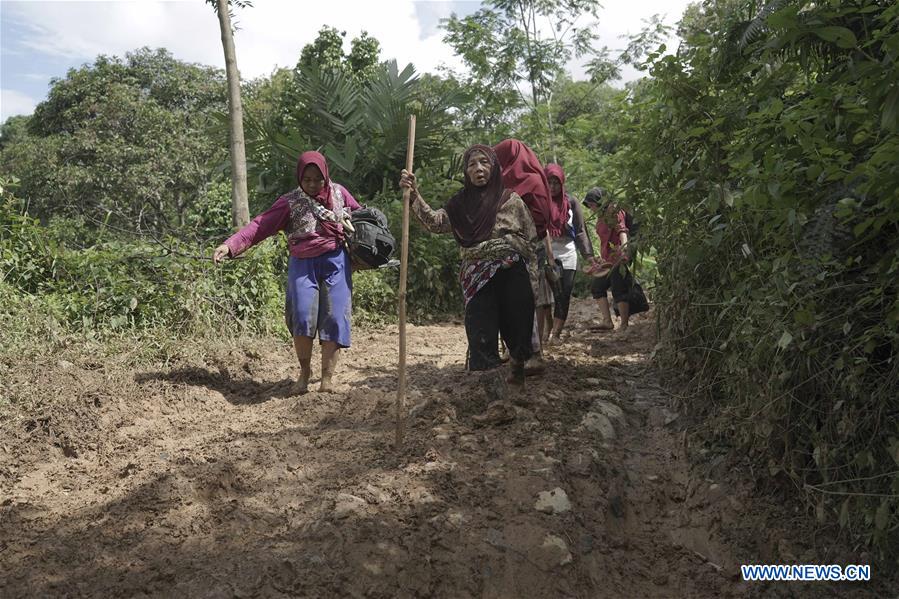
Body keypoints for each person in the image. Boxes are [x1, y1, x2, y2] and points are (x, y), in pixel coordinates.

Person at [213, 151, 361, 393]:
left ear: (325, 176)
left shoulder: (339, 193)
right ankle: (304, 373)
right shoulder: (290, 202)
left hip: (336, 262)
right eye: (307, 180)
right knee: (301, 316)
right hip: (303, 265)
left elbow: (361, 216)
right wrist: (230, 245)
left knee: (335, 317)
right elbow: (260, 225)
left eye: (317, 179)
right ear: (299, 179)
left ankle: (327, 379)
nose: (313, 184)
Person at [399, 144, 538, 391]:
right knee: (481, 334)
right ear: (466, 172)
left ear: (494, 168)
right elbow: (435, 221)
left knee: (518, 326)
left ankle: (517, 367)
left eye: (484, 163)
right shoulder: (459, 205)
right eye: (472, 164)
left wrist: (533, 279)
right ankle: (494, 395)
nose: (479, 169)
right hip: (477, 277)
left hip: (512, 271)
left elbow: (530, 239)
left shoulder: (511, 201)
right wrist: (414, 193)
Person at [492, 139, 562, 369]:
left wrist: (518, 234)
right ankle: (514, 351)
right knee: (506, 302)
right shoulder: (501, 182)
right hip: (503, 251)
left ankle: (534, 352)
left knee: (527, 302)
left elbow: (541, 220)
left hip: (528, 251)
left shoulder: (531, 181)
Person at [543, 163, 595, 345]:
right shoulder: (540, 203)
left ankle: (555, 334)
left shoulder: (571, 203)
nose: (552, 187)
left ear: (562, 182)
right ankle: (546, 329)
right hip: (547, 253)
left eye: (556, 182)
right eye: (549, 182)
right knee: (546, 297)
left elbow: (580, 231)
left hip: (568, 253)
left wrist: (588, 255)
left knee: (563, 294)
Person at [582, 187, 632, 332]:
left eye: (592, 204)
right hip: (607, 260)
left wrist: (623, 250)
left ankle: (624, 325)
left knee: (619, 289)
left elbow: (622, 231)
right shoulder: (601, 216)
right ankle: (607, 321)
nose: (590, 208)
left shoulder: (613, 212)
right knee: (597, 287)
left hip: (617, 257)